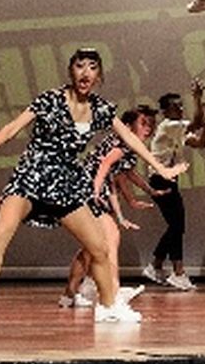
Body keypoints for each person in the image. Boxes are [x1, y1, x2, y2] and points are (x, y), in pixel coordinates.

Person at [0, 48, 187, 331]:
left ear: (99, 75)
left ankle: (108, 307)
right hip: (32, 175)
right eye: (79, 66)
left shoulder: (101, 109)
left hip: (65, 183)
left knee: (99, 247)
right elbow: (13, 127)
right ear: (71, 71)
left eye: (92, 67)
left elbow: (130, 139)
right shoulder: (50, 99)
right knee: (1, 232)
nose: (85, 73)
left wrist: (160, 168)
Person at [60, 105, 159, 309]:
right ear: (128, 126)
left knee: (92, 246)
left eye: (151, 124)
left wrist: (125, 209)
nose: (148, 128)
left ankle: (71, 294)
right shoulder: (123, 143)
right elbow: (105, 165)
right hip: (88, 189)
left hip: (91, 189)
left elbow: (117, 177)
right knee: (111, 238)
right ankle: (113, 294)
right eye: (143, 123)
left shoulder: (127, 145)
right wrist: (95, 191)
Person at [142, 80, 205, 290]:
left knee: (176, 224)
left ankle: (156, 265)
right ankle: (177, 272)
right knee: (177, 224)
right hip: (160, 179)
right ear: (165, 111)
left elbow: (201, 142)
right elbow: (196, 122)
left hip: (169, 179)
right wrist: (197, 98)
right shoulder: (168, 126)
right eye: (176, 107)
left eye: (181, 105)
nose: (180, 109)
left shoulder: (177, 129)